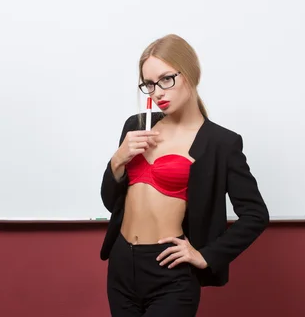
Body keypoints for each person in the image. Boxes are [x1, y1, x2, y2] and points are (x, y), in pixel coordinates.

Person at [100, 34, 269, 316]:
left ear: (190, 73)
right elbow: (111, 202)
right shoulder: (137, 126)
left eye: (166, 79)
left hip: (170, 273)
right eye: (149, 84)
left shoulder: (220, 143)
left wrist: (205, 256)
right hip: (121, 265)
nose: (157, 93)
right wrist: (118, 160)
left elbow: (255, 214)